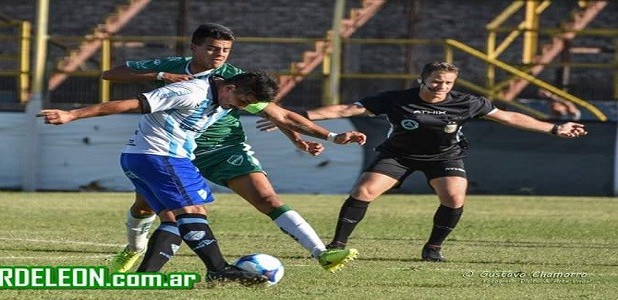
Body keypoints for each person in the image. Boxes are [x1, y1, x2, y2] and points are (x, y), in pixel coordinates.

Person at [37, 71, 362, 286]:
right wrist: (72, 115)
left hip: (148, 158)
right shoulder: (188, 91)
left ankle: (145, 276)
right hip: (160, 156)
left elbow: (284, 115)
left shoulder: (236, 94)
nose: (243, 109)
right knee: (193, 212)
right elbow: (130, 103)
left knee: (169, 216)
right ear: (231, 88)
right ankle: (218, 269)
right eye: (242, 102)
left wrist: (332, 137)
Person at [101, 23, 362, 273]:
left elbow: (278, 114)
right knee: (146, 208)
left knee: (267, 199)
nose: (220, 55)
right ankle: (134, 249)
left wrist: (326, 136)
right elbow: (110, 74)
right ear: (194, 48)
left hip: (225, 149)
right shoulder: (172, 68)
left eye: (225, 50)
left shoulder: (234, 79)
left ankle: (322, 253)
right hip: (169, 151)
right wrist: (160, 76)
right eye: (213, 48)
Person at [276, 61, 588, 262]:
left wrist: (553, 127)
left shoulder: (468, 102)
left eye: (448, 83)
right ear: (422, 80)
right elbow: (347, 109)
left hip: (444, 156)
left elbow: (508, 116)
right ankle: (337, 244)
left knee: (454, 197)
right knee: (363, 191)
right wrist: (298, 116)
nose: (441, 87)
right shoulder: (397, 98)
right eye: (436, 81)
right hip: (398, 154)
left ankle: (433, 248)